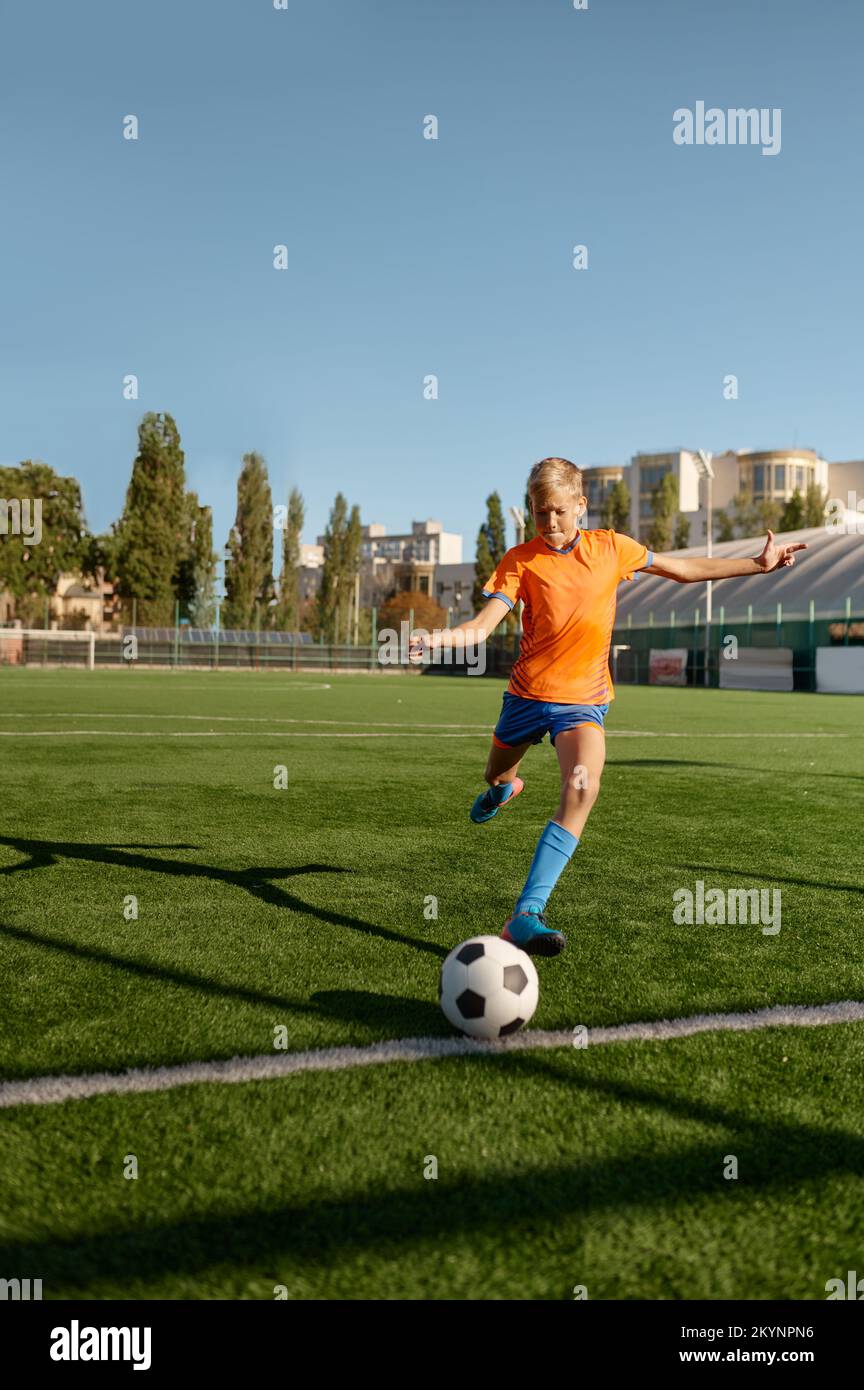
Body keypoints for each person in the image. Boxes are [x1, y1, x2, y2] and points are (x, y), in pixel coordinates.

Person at [410, 457, 806, 957]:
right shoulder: (520, 559)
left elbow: (681, 570)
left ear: (581, 505)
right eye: (538, 511)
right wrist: (438, 638)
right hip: (526, 699)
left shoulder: (611, 548)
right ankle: (504, 789)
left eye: (558, 510)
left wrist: (756, 563)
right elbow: (482, 627)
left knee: (583, 785)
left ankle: (525, 914)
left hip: (582, 704)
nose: (549, 522)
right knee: (495, 776)